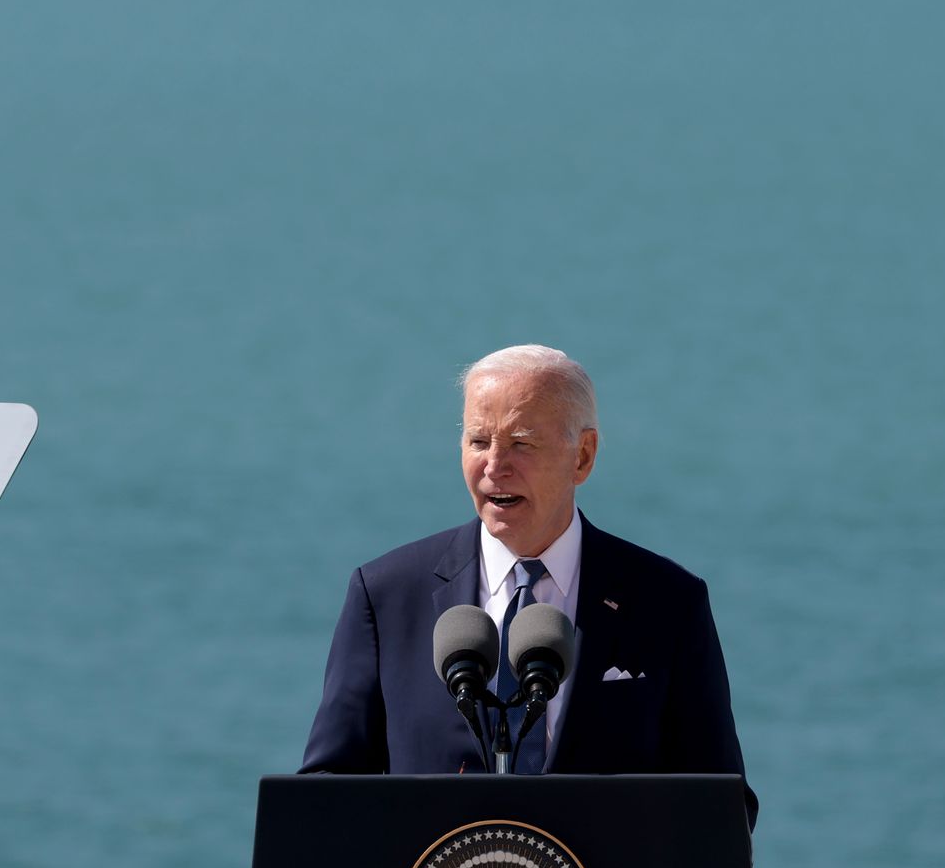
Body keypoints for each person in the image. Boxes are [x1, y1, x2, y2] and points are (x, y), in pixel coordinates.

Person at [299, 345, 756, 828]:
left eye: (521, 443)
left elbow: (721, 809)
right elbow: (325, 794)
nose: (494, 465)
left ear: (583, 456)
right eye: (478, 441)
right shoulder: (386, 595)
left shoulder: (668, 603)